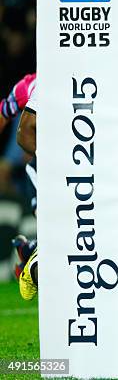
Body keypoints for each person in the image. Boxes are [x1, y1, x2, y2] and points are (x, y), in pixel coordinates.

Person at [0, 73, 39, 300]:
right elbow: (5, 114)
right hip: (45, 167)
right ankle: (32, 254)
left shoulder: (28, 84)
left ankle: (30, 251)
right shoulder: (32, 84)